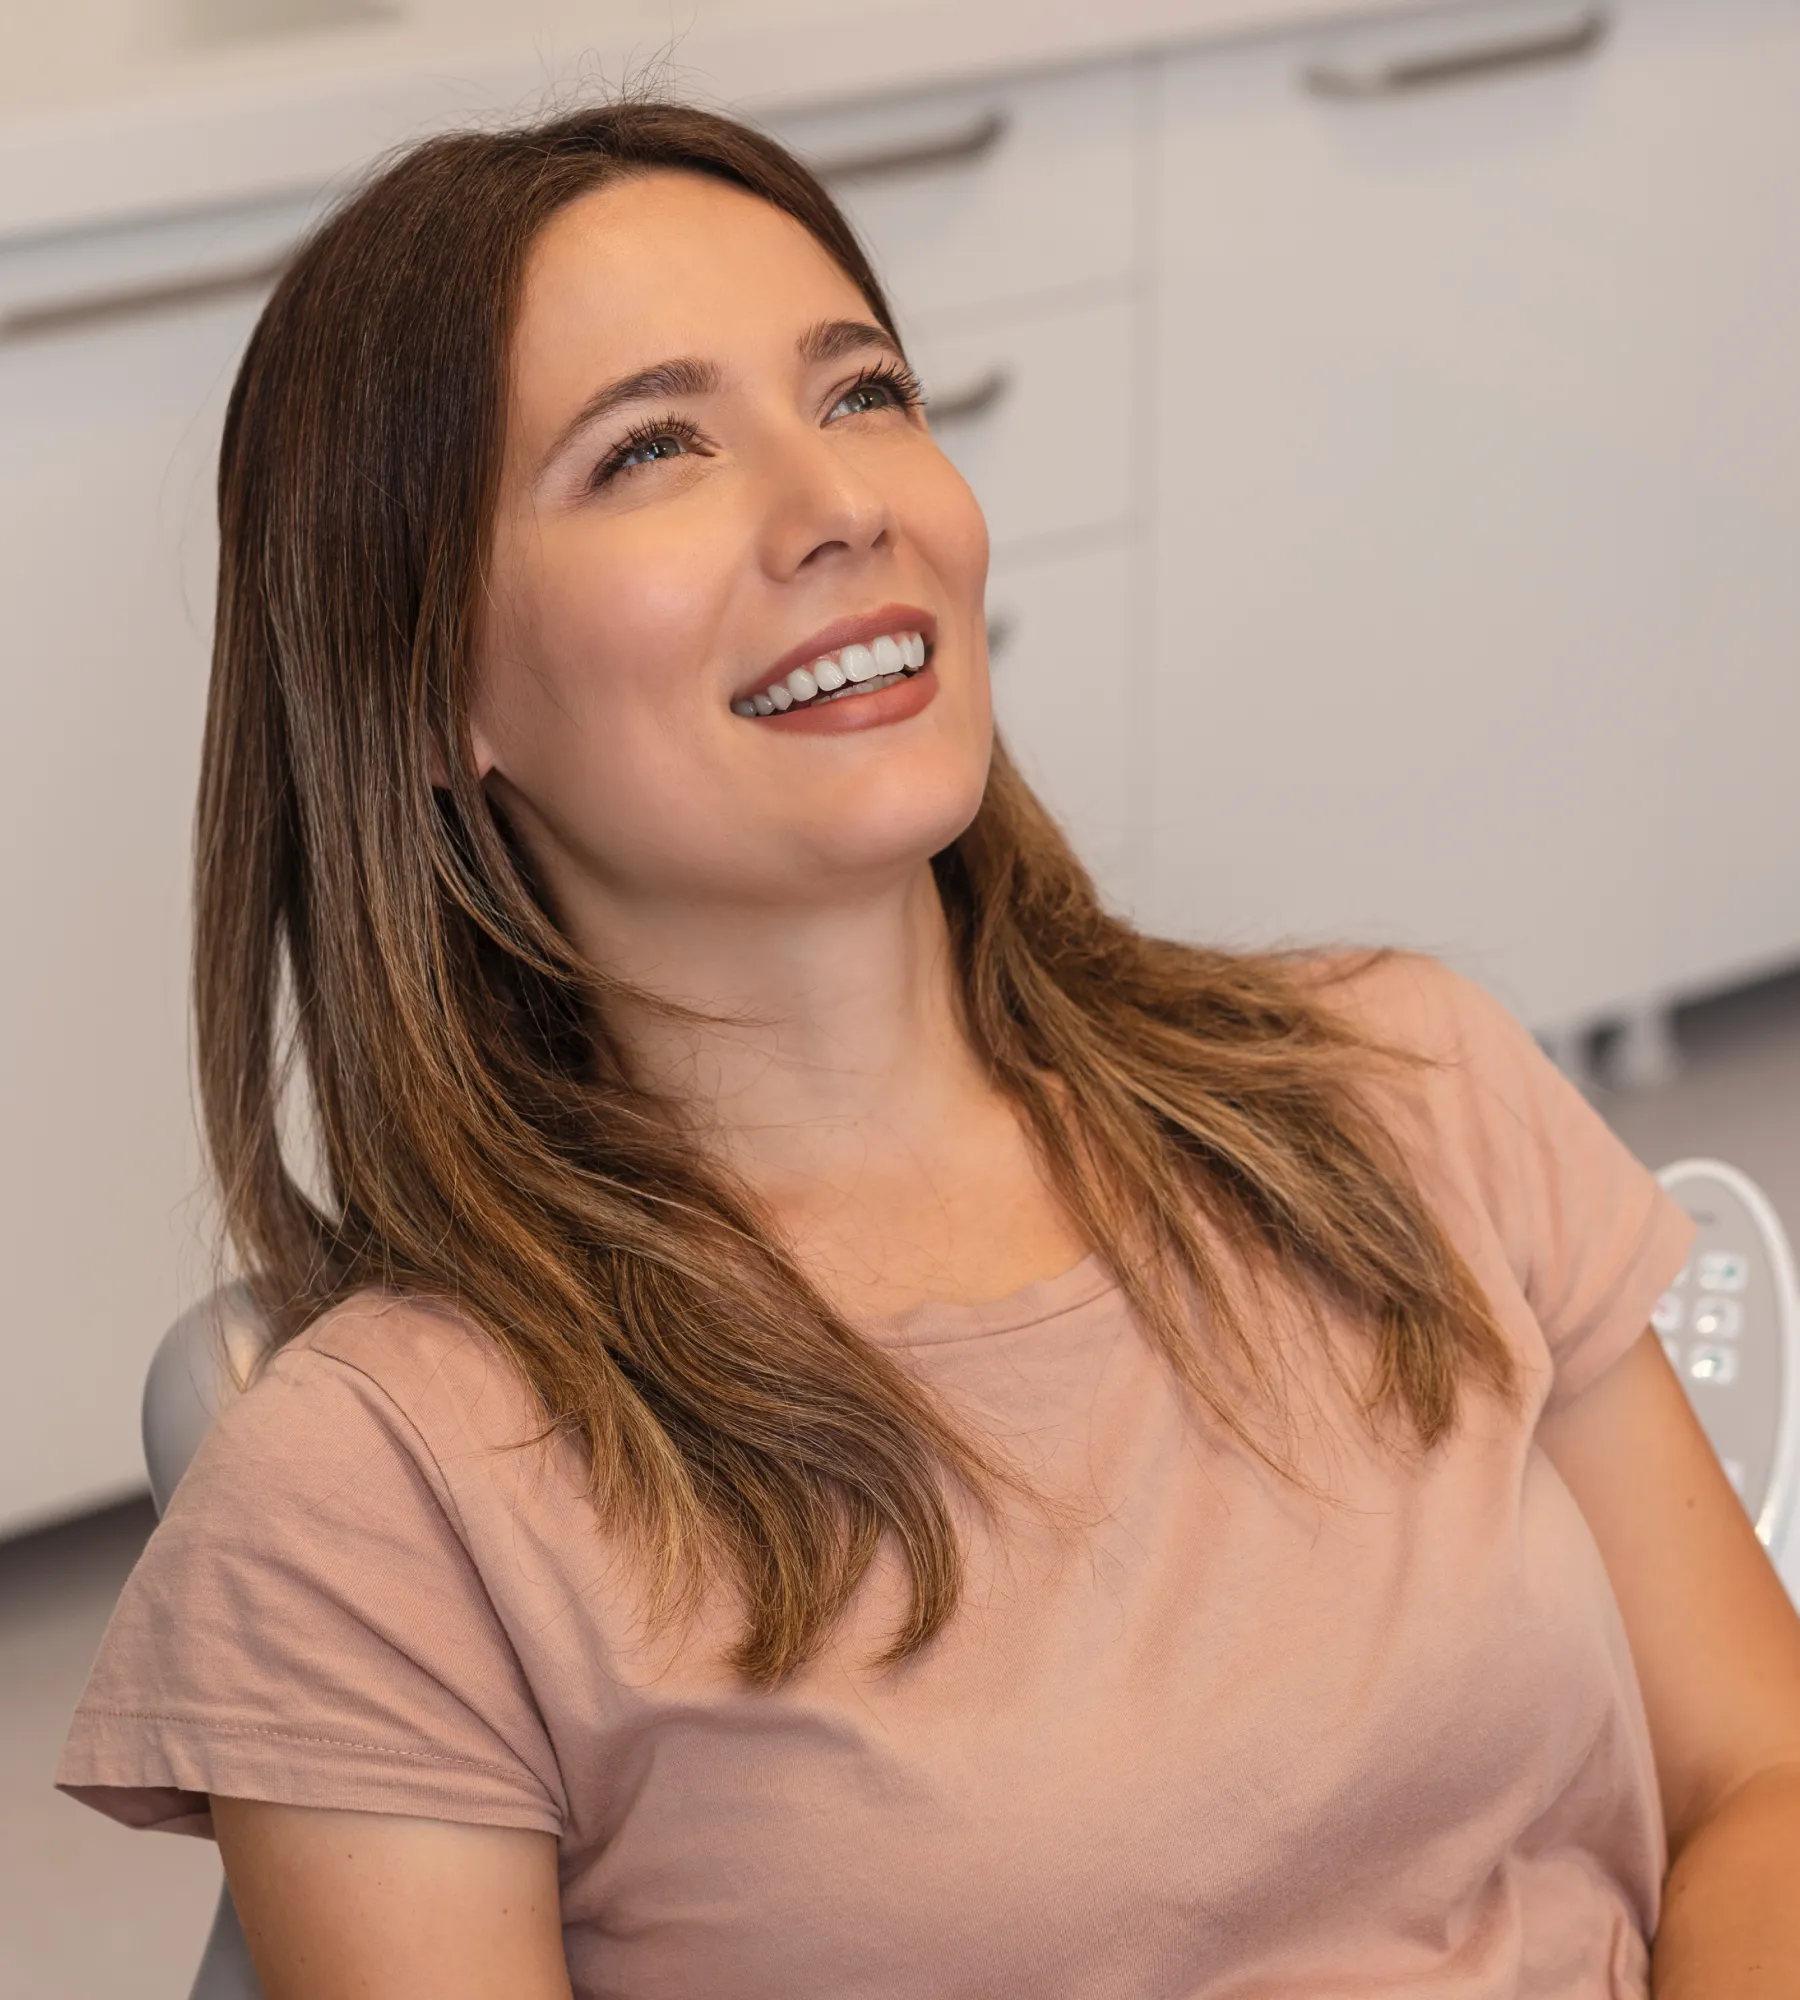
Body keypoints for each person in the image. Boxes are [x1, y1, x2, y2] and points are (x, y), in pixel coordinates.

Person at [58, 101, 1800, 1998]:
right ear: (423, 683)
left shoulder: (1405, 1089)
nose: (840, 504)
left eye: (865, 392)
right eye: (651, 449)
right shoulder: (380, 1493)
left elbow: (1761, 1780)